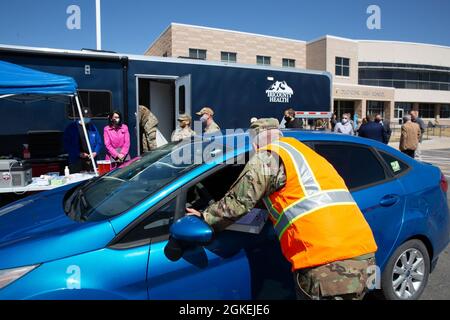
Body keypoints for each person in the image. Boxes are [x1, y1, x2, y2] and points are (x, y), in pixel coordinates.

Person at [187, 118, 378, 300]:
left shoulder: (267, 156)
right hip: (366, 257)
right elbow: (294, 192)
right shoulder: (303, 152)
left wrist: (206, 218)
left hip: (328, 263)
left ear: (255, 145)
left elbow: (238, 201)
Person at [64, 107, 103, 173]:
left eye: (88, 116)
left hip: (91, 160)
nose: (87, 118)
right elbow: (67, 144)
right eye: (85, 116)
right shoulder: (71, 128)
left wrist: (95, 152)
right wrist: (78, 154)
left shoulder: (92, 127)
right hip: (76, 161)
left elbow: (99, 142)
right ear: (80, 116)